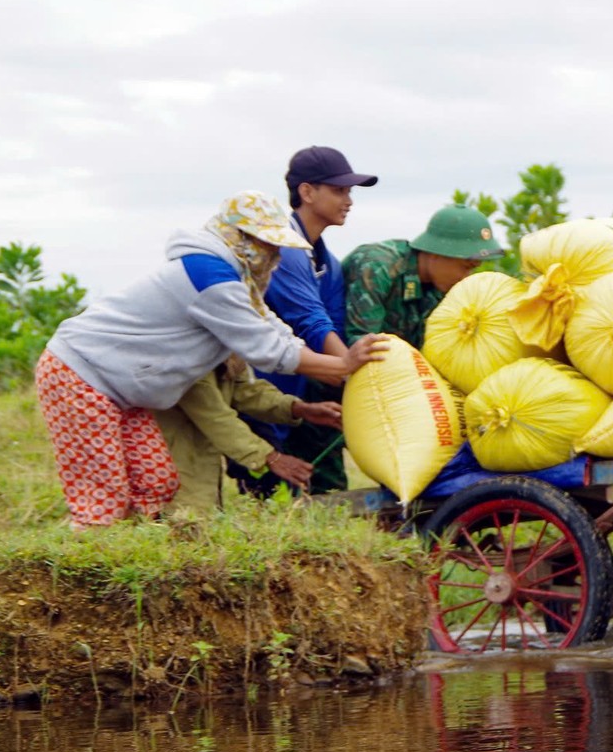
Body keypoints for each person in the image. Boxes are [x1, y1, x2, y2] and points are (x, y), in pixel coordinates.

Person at [34, 193, 386, 529]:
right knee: (103, 499)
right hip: (80, 373)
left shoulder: (236, 282)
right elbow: (266, 349)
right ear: (237, 236)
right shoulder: (209, 277)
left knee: (156, 482)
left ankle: (128, 554)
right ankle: (82, 565)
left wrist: (302, 403)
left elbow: (270, 328)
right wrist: (341, 365)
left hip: (124, 391)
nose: (274, 255)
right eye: (267, 243)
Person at [245, 145, 379, 496]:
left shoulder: (327, 263)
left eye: (349, 191)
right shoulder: (284, 248)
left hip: (296, 398)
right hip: (254, 395)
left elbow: (332, 327)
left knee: (300, 501)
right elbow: (311, 322)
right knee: (260, 500)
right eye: (338, 190)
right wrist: (353, 372)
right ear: (306, 192)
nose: (348, 200)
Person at [153, 359, 343, 516]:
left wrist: (298, 408)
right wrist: (270, 457)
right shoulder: (179, 351)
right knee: (180, 521)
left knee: (197, 522)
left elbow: (246, 388)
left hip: (197, 456)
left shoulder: (224, 342)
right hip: (167, 458)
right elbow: (215, 416)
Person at [341, 205, 505, 349]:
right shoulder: (378, 267)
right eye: (465, 267)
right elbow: (362, 345)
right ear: (436, 253)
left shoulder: (441, 289)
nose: (466, 277)